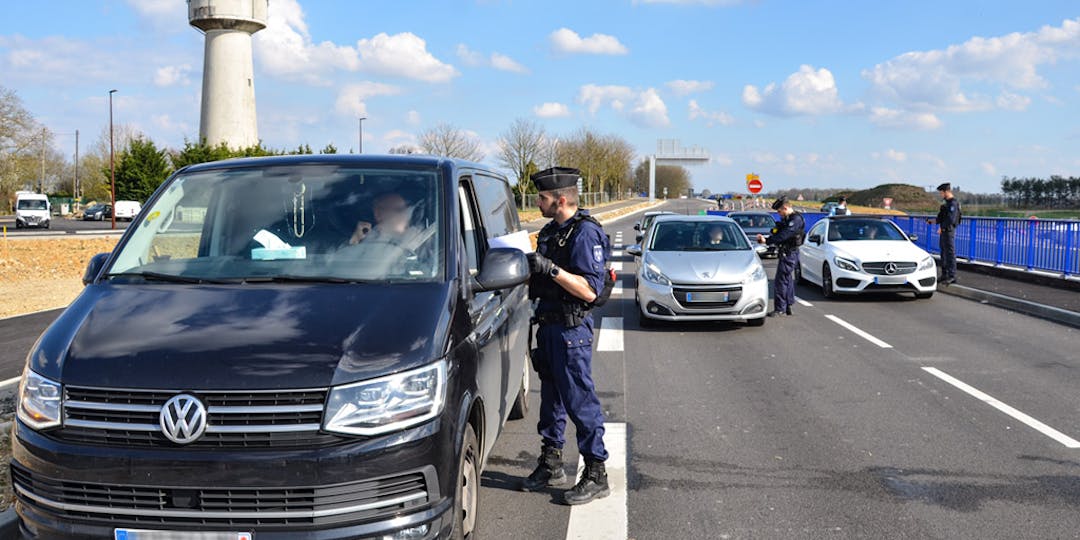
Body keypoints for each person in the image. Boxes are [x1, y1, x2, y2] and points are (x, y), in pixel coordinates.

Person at [520, 166, 611, 506]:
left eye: (541, 198)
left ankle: (596, 472)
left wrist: (552, 270)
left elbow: (590, 290)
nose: (537, 202)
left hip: (572, 329)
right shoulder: (549, 232)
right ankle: (551, 462)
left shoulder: (585, 234)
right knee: (552, 401)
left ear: (560, 200)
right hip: (548, 326)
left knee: (580, 401)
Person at [757, 197, 805, 316]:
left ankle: (780, 309)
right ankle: (788, 305)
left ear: (785, 208)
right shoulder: (788, 220)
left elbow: (784, 235)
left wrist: (767, 241)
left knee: (780, 282)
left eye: (779, 211)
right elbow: (779, 232)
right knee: (786, 280)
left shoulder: (795, 220)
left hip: (789, 253)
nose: (779, 214)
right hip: (787, 252)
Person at [927, 182, 961, 285]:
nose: (941, 195)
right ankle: (944, 274)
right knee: (943, 253)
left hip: (949, 231)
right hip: (944, 231)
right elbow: (941, 217)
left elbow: (951, 219)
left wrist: (943, 228)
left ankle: (952, 276)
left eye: (941, 193)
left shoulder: (953, 203)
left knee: (950, 254)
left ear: (946, 191)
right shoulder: (946, 204)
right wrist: (933, 221)